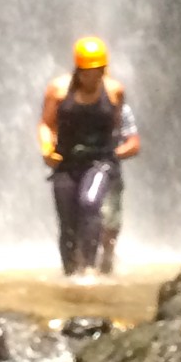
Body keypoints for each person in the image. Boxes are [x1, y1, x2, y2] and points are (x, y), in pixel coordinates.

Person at [39, 36, 131, 277]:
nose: (92, 77)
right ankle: (70, 272)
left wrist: (115, 155)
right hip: (67, 163)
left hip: (100, 161)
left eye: (97, 71)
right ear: (78, 70)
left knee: (89, 203)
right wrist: (47, 148)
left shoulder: (114, 91)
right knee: (67, 221)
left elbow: (116, 125)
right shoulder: (58, 90)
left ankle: (89, 268)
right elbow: (46, 124)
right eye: (87, 72)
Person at [98, 101, 141, 274]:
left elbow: (133, 142)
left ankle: (107, 259)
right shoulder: (69, 103)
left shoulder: (119, 107)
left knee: (109, 218)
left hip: (110, 172)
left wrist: (111, 155)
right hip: (77, 170)